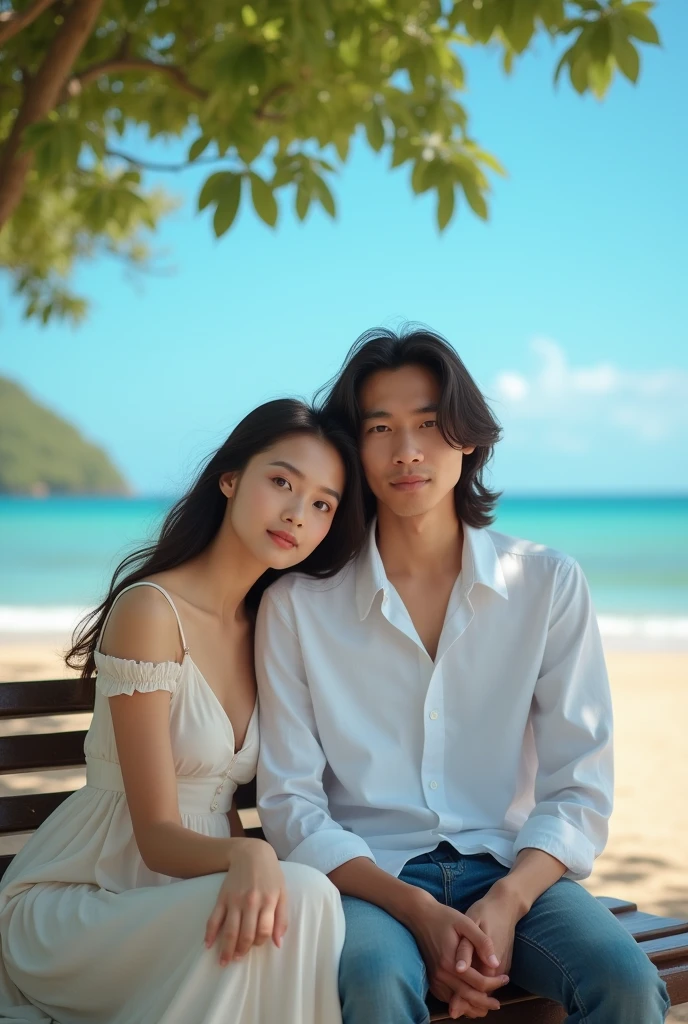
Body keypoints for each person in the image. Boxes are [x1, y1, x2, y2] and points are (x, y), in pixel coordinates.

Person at [256, 328, 671, 1023]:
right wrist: (417, 912)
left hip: (513, 868)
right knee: (373, 979)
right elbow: (291, 802)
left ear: (468, 438)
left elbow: (580, 786)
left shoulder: (547, 584)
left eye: (427, 424)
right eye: (380, 428)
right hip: (370, 877)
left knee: (627, 983)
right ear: (354, 450)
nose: (407, 451)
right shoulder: (298, 607)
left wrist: (506, 902)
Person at [0, 399, 366, 1024]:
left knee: (299, 906)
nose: (295, 514)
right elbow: (155, 836)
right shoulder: (151, 612)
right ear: (229, 479)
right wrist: (250, 856)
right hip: (90, 900)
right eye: (281, 481)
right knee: (301, 894)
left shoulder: (269, 627)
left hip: (187, 896)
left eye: (322, 504)